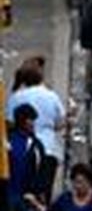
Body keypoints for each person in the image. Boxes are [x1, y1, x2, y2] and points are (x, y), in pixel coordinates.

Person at [8, 57, 67, 202]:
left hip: (23, 150)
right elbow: (60, 122)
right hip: (48, 149)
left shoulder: (16, 97)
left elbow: (9, 123)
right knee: (44, 193)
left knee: (23, 191)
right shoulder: (51, 96)